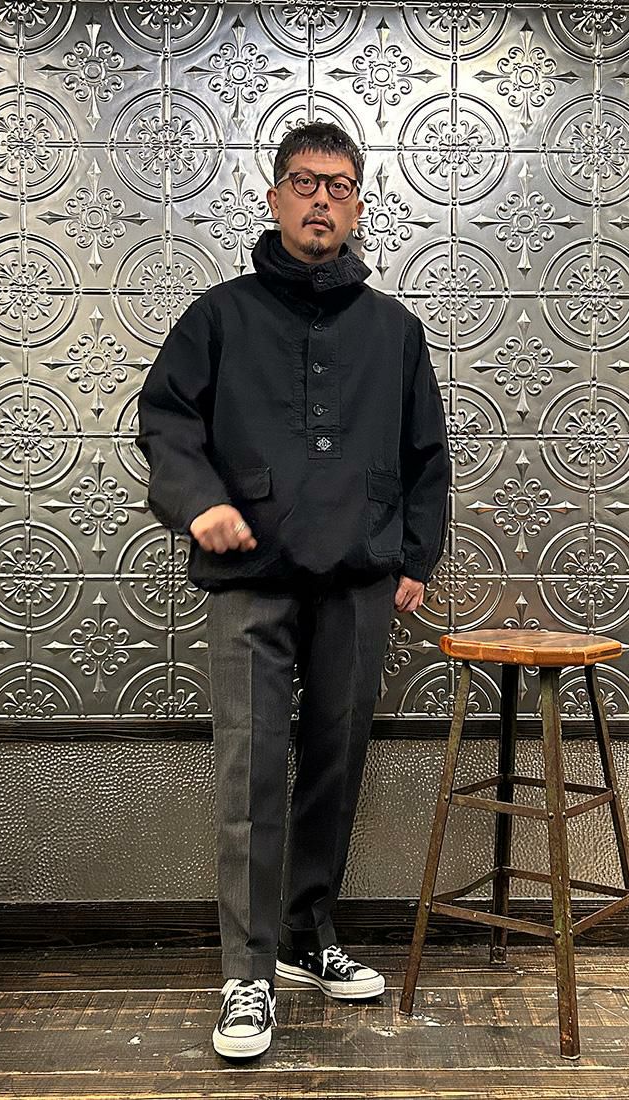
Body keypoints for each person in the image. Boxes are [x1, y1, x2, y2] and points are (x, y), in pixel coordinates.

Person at [135, 122, 451, 1060]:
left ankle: (310, 936)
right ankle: (247, 971)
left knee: (335, 763)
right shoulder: (218, 317)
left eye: (339, 186)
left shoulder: (394, 331)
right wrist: (199, 504)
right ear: (274, 198)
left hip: (358, 581)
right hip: (251, 577)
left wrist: (415, 560)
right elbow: (165, 422)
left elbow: (427, 455)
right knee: (251, 771)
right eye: (305, 182)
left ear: (358, 206)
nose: (321, 200)